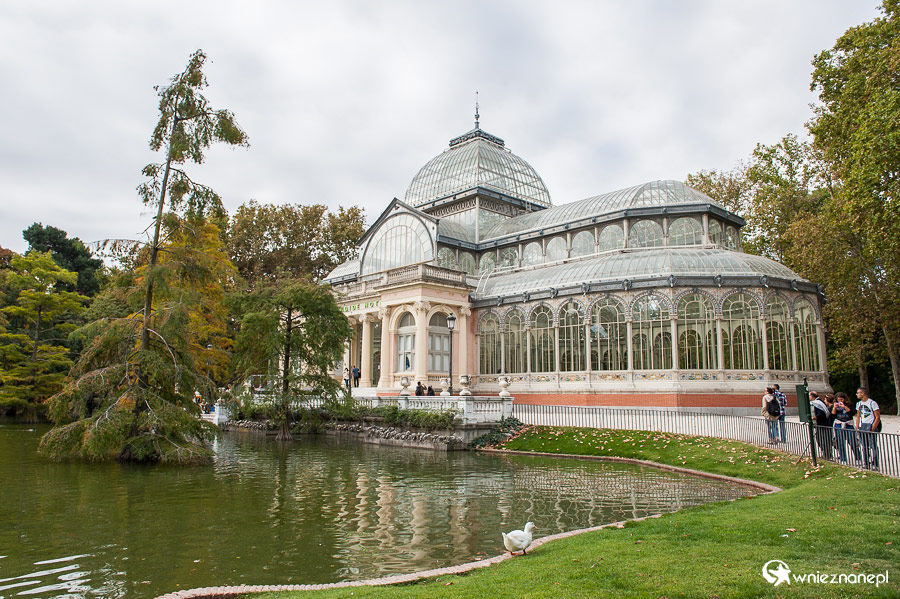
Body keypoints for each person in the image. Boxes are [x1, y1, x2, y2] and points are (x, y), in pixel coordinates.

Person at [855, 387, 881, 470]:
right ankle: (866, 462)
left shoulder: (872, 403)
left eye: (858, 392)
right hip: (863, 426)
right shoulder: (858, 404)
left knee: (873, 446)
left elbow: (877, 417)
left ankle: (875, 463)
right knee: (864, 446)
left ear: (863, 393)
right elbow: (858, 416)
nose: (857, 394)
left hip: (870, 425)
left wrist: (873, 428)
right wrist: (857, 426)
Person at [832, 391, 860, 465]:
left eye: (842, 399)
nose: (840, 401)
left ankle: (858, 457)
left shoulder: (850, 405)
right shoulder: (835, 405)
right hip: (839, 423)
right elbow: (832, 415)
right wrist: (834, 408)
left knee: (852, 441)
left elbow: (852, 413)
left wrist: (844, 406)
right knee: (840, 442)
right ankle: (843, 458)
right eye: (839, 400)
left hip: (848, 424)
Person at [810, 391, 834, 460]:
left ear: (812, 396)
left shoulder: (818, 403)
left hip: (823, 424)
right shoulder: (817, 402)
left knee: (824, 440)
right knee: (820, 439)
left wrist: (815, 417)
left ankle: (827, 454)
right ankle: (826, 453)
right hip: (820, 425)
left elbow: (821, 414)